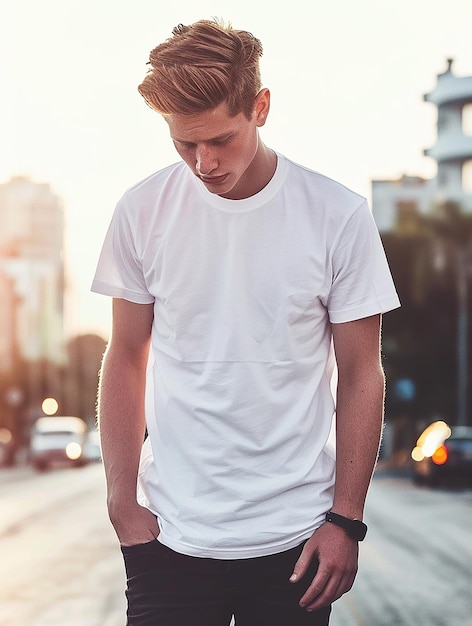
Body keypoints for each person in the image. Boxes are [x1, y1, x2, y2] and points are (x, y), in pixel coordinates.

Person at [92, 18, 400, 626]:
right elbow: (126, 355)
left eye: (221, 140)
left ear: (259, 108)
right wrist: (122, 503)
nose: (204, 163)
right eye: (185, 144)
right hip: (170, 537)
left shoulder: (337, 216)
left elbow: (362, 372)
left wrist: (346, 518)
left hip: (297, 540)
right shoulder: (141, 211)